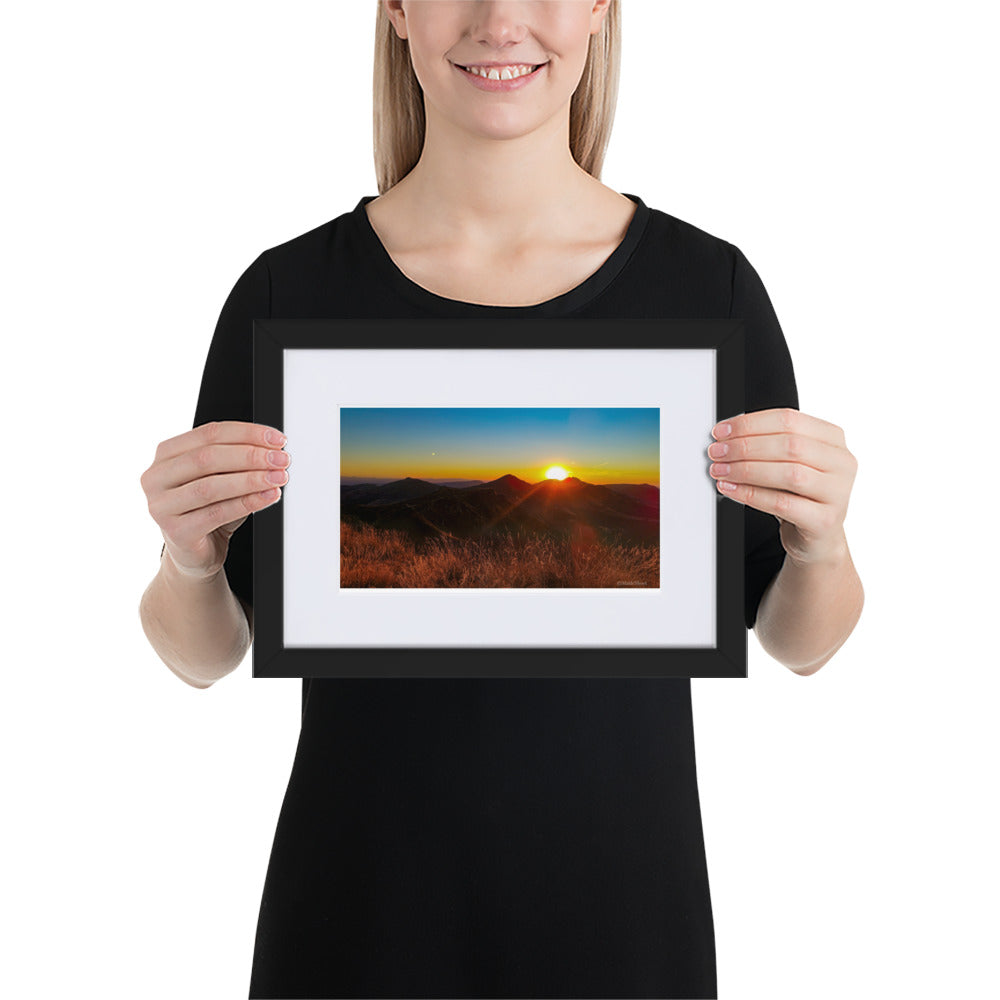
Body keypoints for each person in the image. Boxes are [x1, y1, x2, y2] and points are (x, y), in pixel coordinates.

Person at [139, 2, 864, 996]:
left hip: (622, 931)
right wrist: (189, 556)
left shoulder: (707, 290)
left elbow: (798, 639)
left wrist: (821, 544)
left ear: (602, 10)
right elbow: (206, 652)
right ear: (396, 10)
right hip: (357, 927)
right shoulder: (288, 295)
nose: (500, 18)